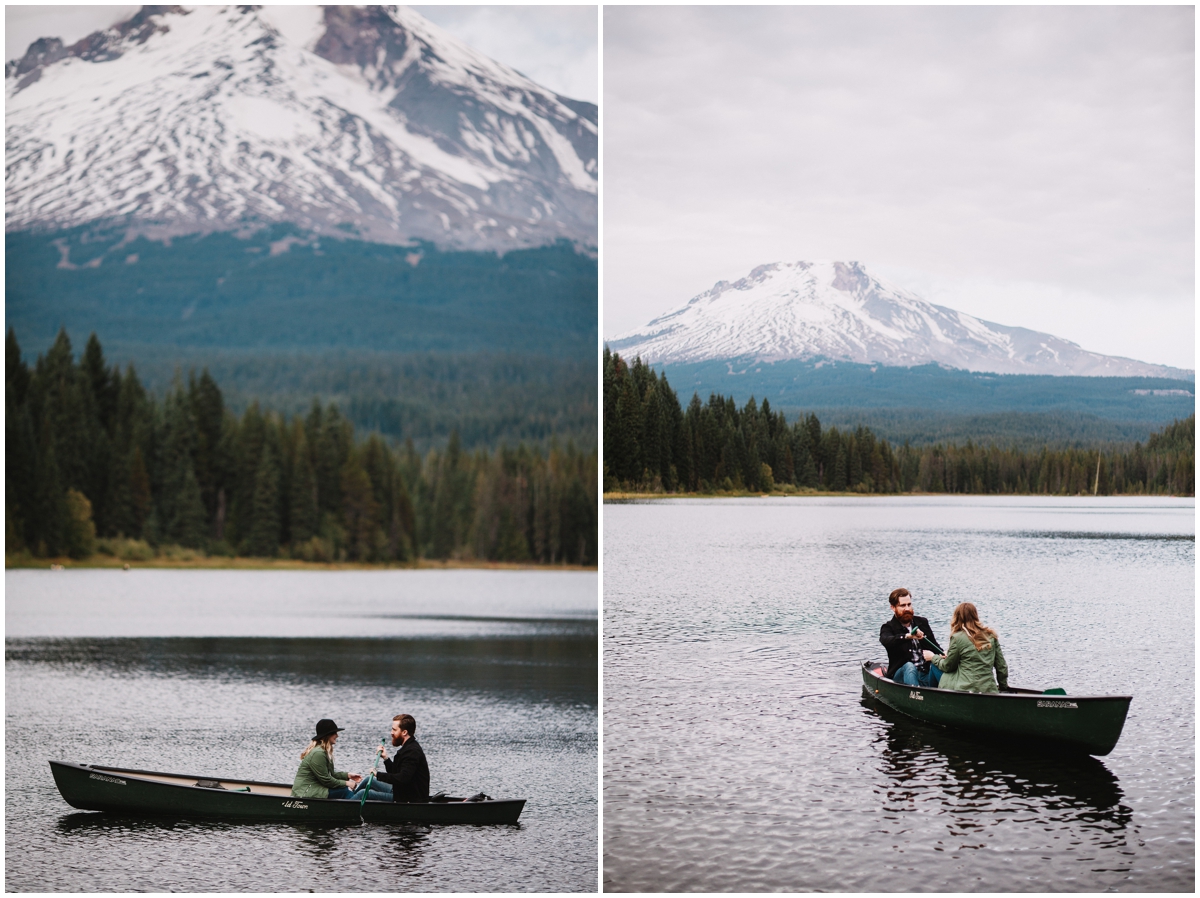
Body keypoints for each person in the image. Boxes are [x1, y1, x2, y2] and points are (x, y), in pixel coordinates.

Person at [291, 718, 392, 801]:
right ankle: (351, 806)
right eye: (335, 733)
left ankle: (394, 794)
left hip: (316, 789)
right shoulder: (318, 753)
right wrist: (347, 783)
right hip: (306, 793)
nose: (337, 735)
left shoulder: (323, 751)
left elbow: (332, 775)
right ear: (328, 735)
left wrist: (348, 775)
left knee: (365, 781)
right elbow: (326, 780)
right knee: (345, 790)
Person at [923, 602, 1009, 693]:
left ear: (956, 618)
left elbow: (948, 667)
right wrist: (1003, 687)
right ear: (975, 616)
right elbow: (1001, 667)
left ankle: (933, 697)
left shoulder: (957, 637)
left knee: (934, 665)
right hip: (989, 689)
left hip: (964, 689)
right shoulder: (991, 636)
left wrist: (933, 657)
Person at [880, 588, 944, 687]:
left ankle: (953, 692)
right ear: (893, 607)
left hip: (925, 674)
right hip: (900, 677)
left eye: (909, 605)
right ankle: (916, 696)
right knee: (909, 666)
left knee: (937, 663)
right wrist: (907, 636)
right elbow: (886, 640)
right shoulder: (888, 627)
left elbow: (935, 647)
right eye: (902, 605)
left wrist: (944, 655)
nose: (907, 609)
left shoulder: (922, 623)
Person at [375, 713, 430, 803]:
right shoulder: (407, 748)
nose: (391, 733)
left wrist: (378, 775)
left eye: (394, 730)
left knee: (365, 793)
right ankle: (348, 798)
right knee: (367, 781)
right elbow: (396, 773)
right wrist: (386, 758)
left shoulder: (412, 752)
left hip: (409, 798)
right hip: (401, 791)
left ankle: (347, 806)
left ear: (404, 732)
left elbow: (402, 779)